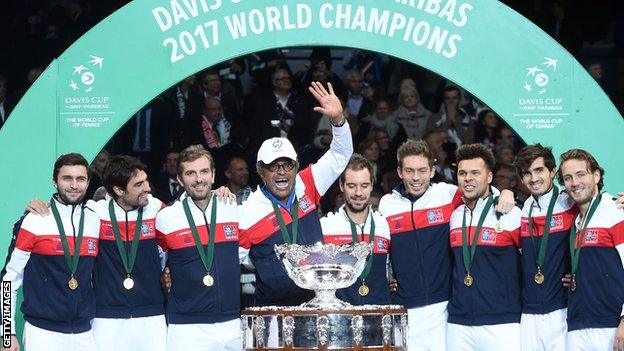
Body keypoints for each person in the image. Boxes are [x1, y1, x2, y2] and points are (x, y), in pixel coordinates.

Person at [379, 140, 515, 351]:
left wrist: (506, 193)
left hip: (444, 308)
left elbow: (479, 191)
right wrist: (387, 281)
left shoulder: (448, 194)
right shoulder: (387, 205)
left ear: (433, 171)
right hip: (405, 307)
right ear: (399, 172)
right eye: (410, 171)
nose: (416, 177)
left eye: (422, 170)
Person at [238, 81, 353, 306]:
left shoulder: (308, 183)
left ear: (297, 166)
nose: (281, 171)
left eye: (287, 165)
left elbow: (341, 154)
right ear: (261, 171)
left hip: (317, 304)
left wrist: (338, 120)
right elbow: (240, 260)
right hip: (273, 312)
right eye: (273, 166)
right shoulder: (246, 212)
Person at [1, 153, 100, 351]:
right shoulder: (34, 220)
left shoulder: (95, 219)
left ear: (88, 182)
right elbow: (9, 279)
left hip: (84, 332)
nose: (74, 185)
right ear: (54, 182)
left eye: (80, 179)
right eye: (67, 178)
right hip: (43, 333)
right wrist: (6, 334)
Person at [155, 145, 240, 350]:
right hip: (187, 328)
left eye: (204, 172)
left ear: (213, 175)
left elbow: (247, 254)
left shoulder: (231, 208)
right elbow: (155, 264)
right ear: (180, 179)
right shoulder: (165, 218)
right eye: (190, 173)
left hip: (231, 323)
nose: (199, 179)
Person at [446, 144, 522, 351]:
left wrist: (508, 193)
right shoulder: (454, 216)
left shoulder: (510, 213)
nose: (467, 178)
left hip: (502, 322)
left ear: (489, 177)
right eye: (462, 173)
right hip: (458, 323)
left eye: (475, 173)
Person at [558, 149, 624, 351]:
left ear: (596, 176)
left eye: (580, 174)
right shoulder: (576, 220)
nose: (574, 183)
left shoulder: (616, 212)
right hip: (577, 324)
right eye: (567, 178)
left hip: (611, 326)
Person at [514, 144, 573, 351]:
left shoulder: (571, 203)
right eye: (527, 173)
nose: (533, 178)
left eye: (539, 170)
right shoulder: (519, 210)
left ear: (553, 172)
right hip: (529, 313)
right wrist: (503, 192)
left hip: (562, 309)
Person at [320, 154, 391, 305]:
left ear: (372, 185)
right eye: (352, 186)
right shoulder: (326, 226)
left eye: (364, 185)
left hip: (380, 318)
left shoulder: (384, 225)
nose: (358, 193)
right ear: (341, 185)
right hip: (340, 319)